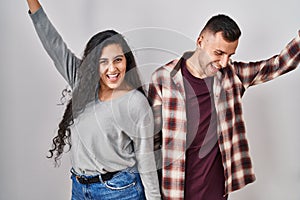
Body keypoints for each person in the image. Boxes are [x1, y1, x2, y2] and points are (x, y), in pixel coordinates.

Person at [148, 14, 300, 199]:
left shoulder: (232, 76)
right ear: (200, 41)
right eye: (218, 53)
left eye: (230, 55)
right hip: (175, 188)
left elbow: (278, 65)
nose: (224, 63)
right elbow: (152, 142)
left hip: (216, 189)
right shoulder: (163, 78)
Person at [26, 0, 161, 199]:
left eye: (118, 59)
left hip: (120, 191)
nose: (112, 68)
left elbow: (146, 160)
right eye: (103, 61)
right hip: (80, 189)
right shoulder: (81, 82)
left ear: (126, 60)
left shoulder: (135, 103)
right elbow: (52, 42)